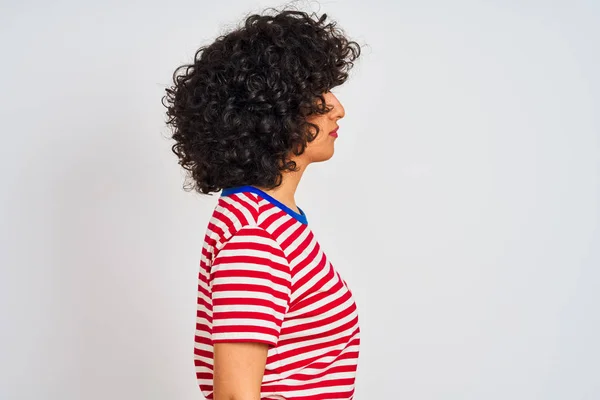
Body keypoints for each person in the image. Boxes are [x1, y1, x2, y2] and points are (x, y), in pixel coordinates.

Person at [162, 6, 362, 399]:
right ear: (273, 112)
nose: (338, 108)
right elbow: (236, 396)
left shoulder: (272, 220)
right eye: (318, 93)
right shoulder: (256, 237)